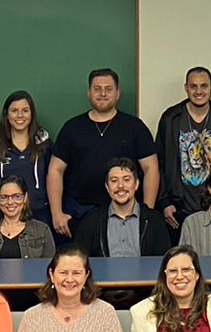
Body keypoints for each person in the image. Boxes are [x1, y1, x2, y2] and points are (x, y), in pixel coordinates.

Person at [48, 68, 160, 238]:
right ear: (89, 93)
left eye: (108, 89)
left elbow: (151, 168)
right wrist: (56, 213)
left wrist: (147, 213)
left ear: (117, 94)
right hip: (79, 213)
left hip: (126, 213)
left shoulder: (135, 127)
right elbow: (55, 170)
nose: (102, 94)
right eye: (97, 89)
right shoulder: (72, 128)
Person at [155, 67, 211, 241]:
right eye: (194, 86)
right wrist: (164, 202)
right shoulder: (170, 119)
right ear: (186, 88)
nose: (199, 91)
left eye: (204, 86)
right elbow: (159, 163)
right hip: (177, 210)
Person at [15, 245, 123, 332]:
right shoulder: (32, 317)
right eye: (63, 273)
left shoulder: (105, 312)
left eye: (76, 273)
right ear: (52, 275)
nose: (70, 279)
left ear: (86, 276)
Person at [73, 157, 171, 258]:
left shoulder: (154, 220)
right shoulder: (91, 221)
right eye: (114, 181)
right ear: (107, 187)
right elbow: (79, 261)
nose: (120, 186)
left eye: (126, 180)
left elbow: (165, 261)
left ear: (136, 184)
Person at [0, 90, 51, 225]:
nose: (20, 115)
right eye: (14, 111)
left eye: (25, 110)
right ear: (6, 114)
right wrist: (2, 205)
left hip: (39, 215)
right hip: (6, 217)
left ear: (31, 114)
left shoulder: (44, 143)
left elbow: (53, 176)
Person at [0, 176, 57, 259]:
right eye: (4, 197)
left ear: (25, 198)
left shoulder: (42, 230)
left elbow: (50, 265)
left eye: (17, 196)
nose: (10, 202)